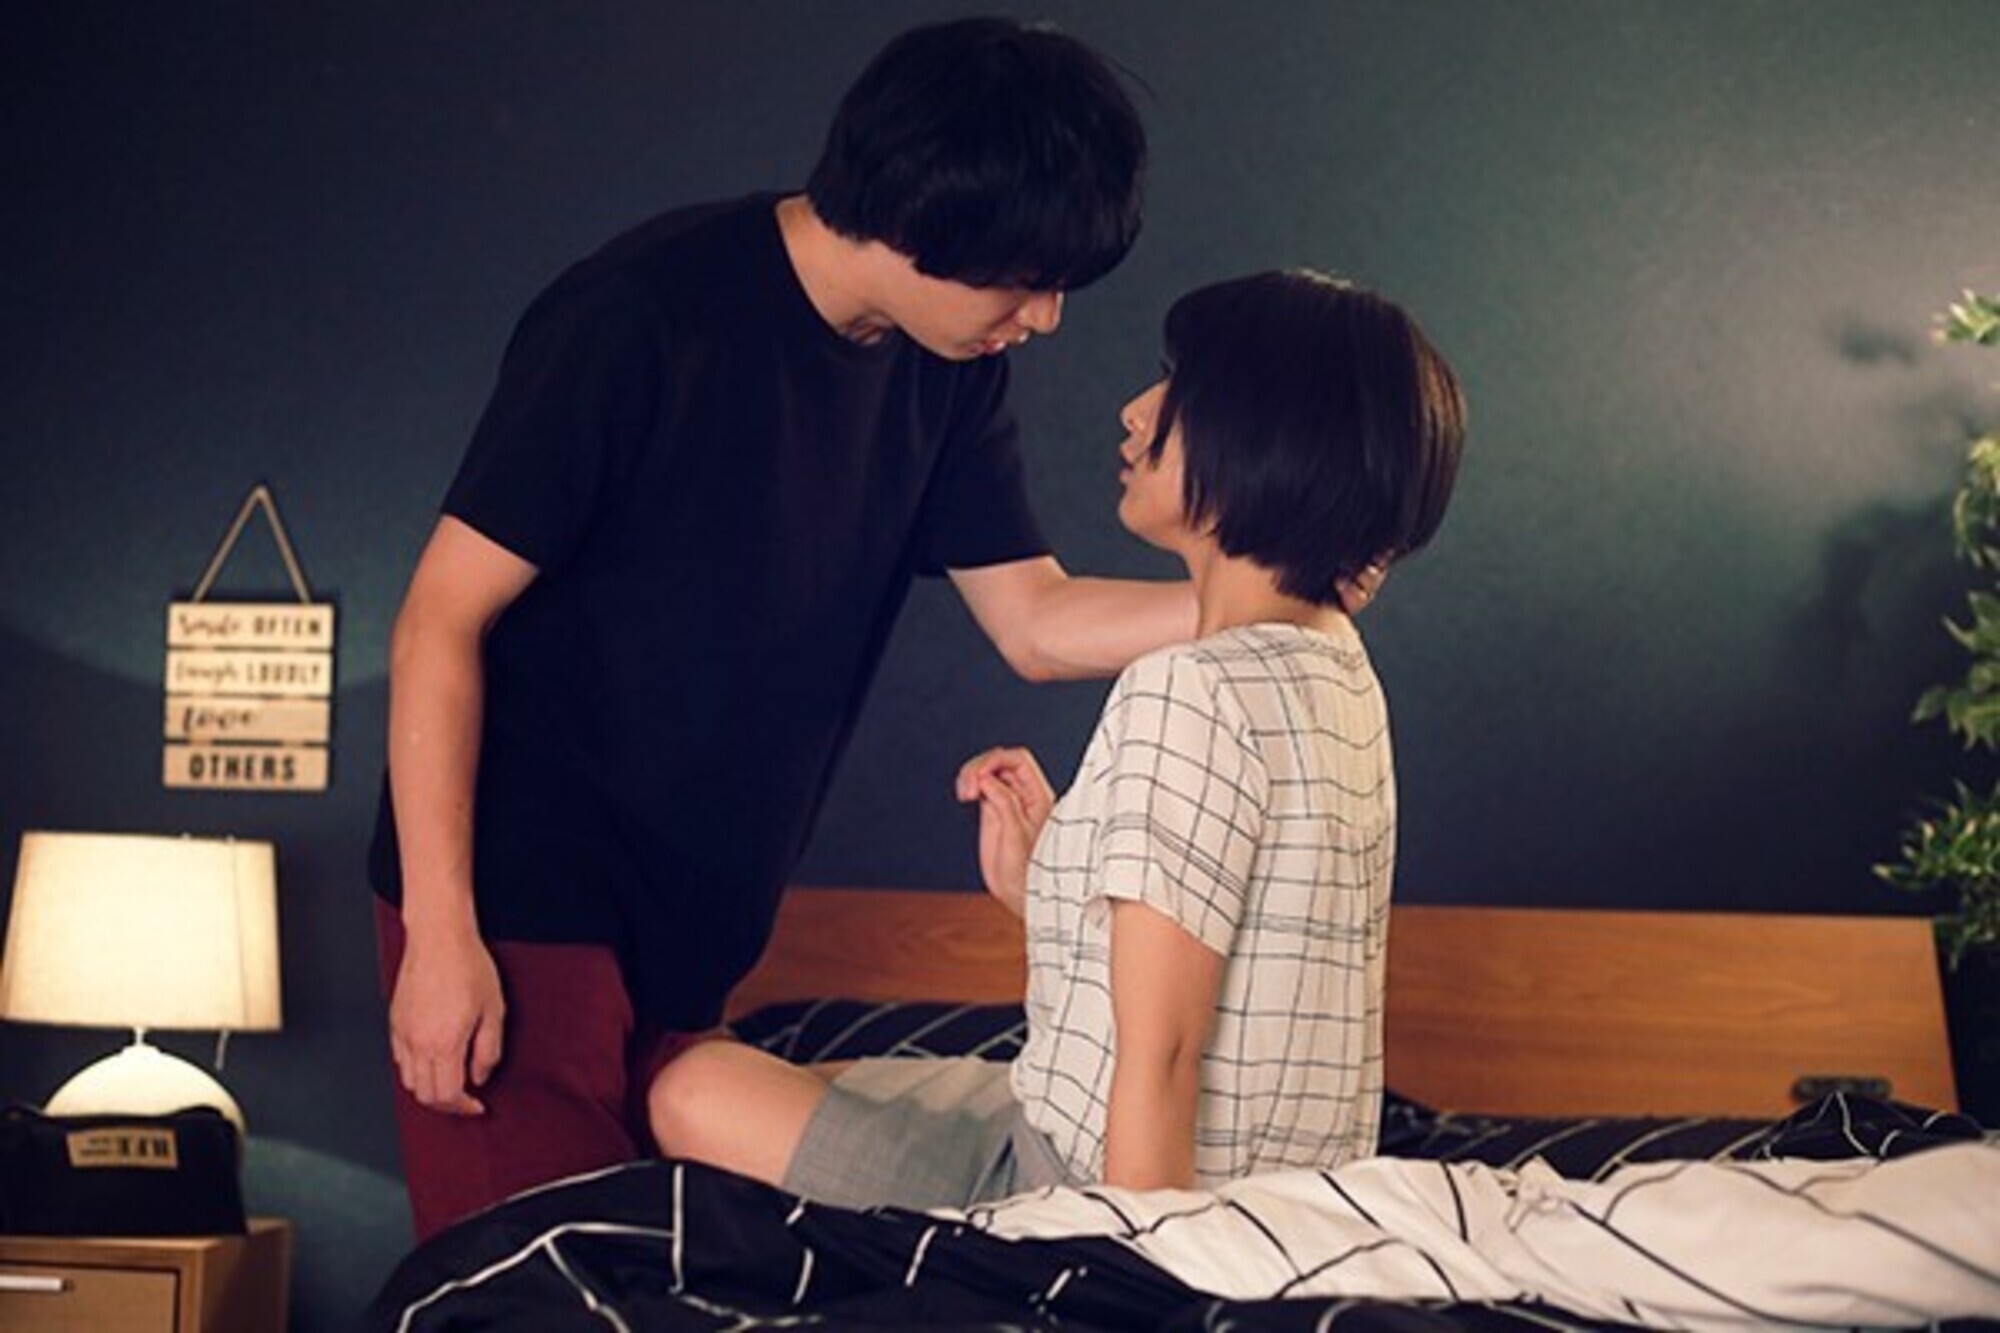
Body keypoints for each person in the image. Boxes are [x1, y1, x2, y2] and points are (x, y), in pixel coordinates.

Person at [368, 17, 1207, 1241]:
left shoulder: (948, 368)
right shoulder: (640, 316)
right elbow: (439, 619)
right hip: (519, 901)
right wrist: (442, 934)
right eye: (1022, 281)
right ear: (921, 221)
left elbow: (1033, 619)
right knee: (535, 1287)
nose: (1043, 318)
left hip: (693, 934)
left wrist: (1260, 603)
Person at [648, 269, 1467, 1208]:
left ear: (1259, 439)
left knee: (689, 1088)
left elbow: (1161, 1054)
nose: (1136, 411)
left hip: (1080, 1177)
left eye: (1178, 387)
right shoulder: (1339, 671)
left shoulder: (1189, 688)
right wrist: (1045, 883)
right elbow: (1246, 951)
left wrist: (1134, 1260)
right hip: (1291, 1187)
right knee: (814, 1077)